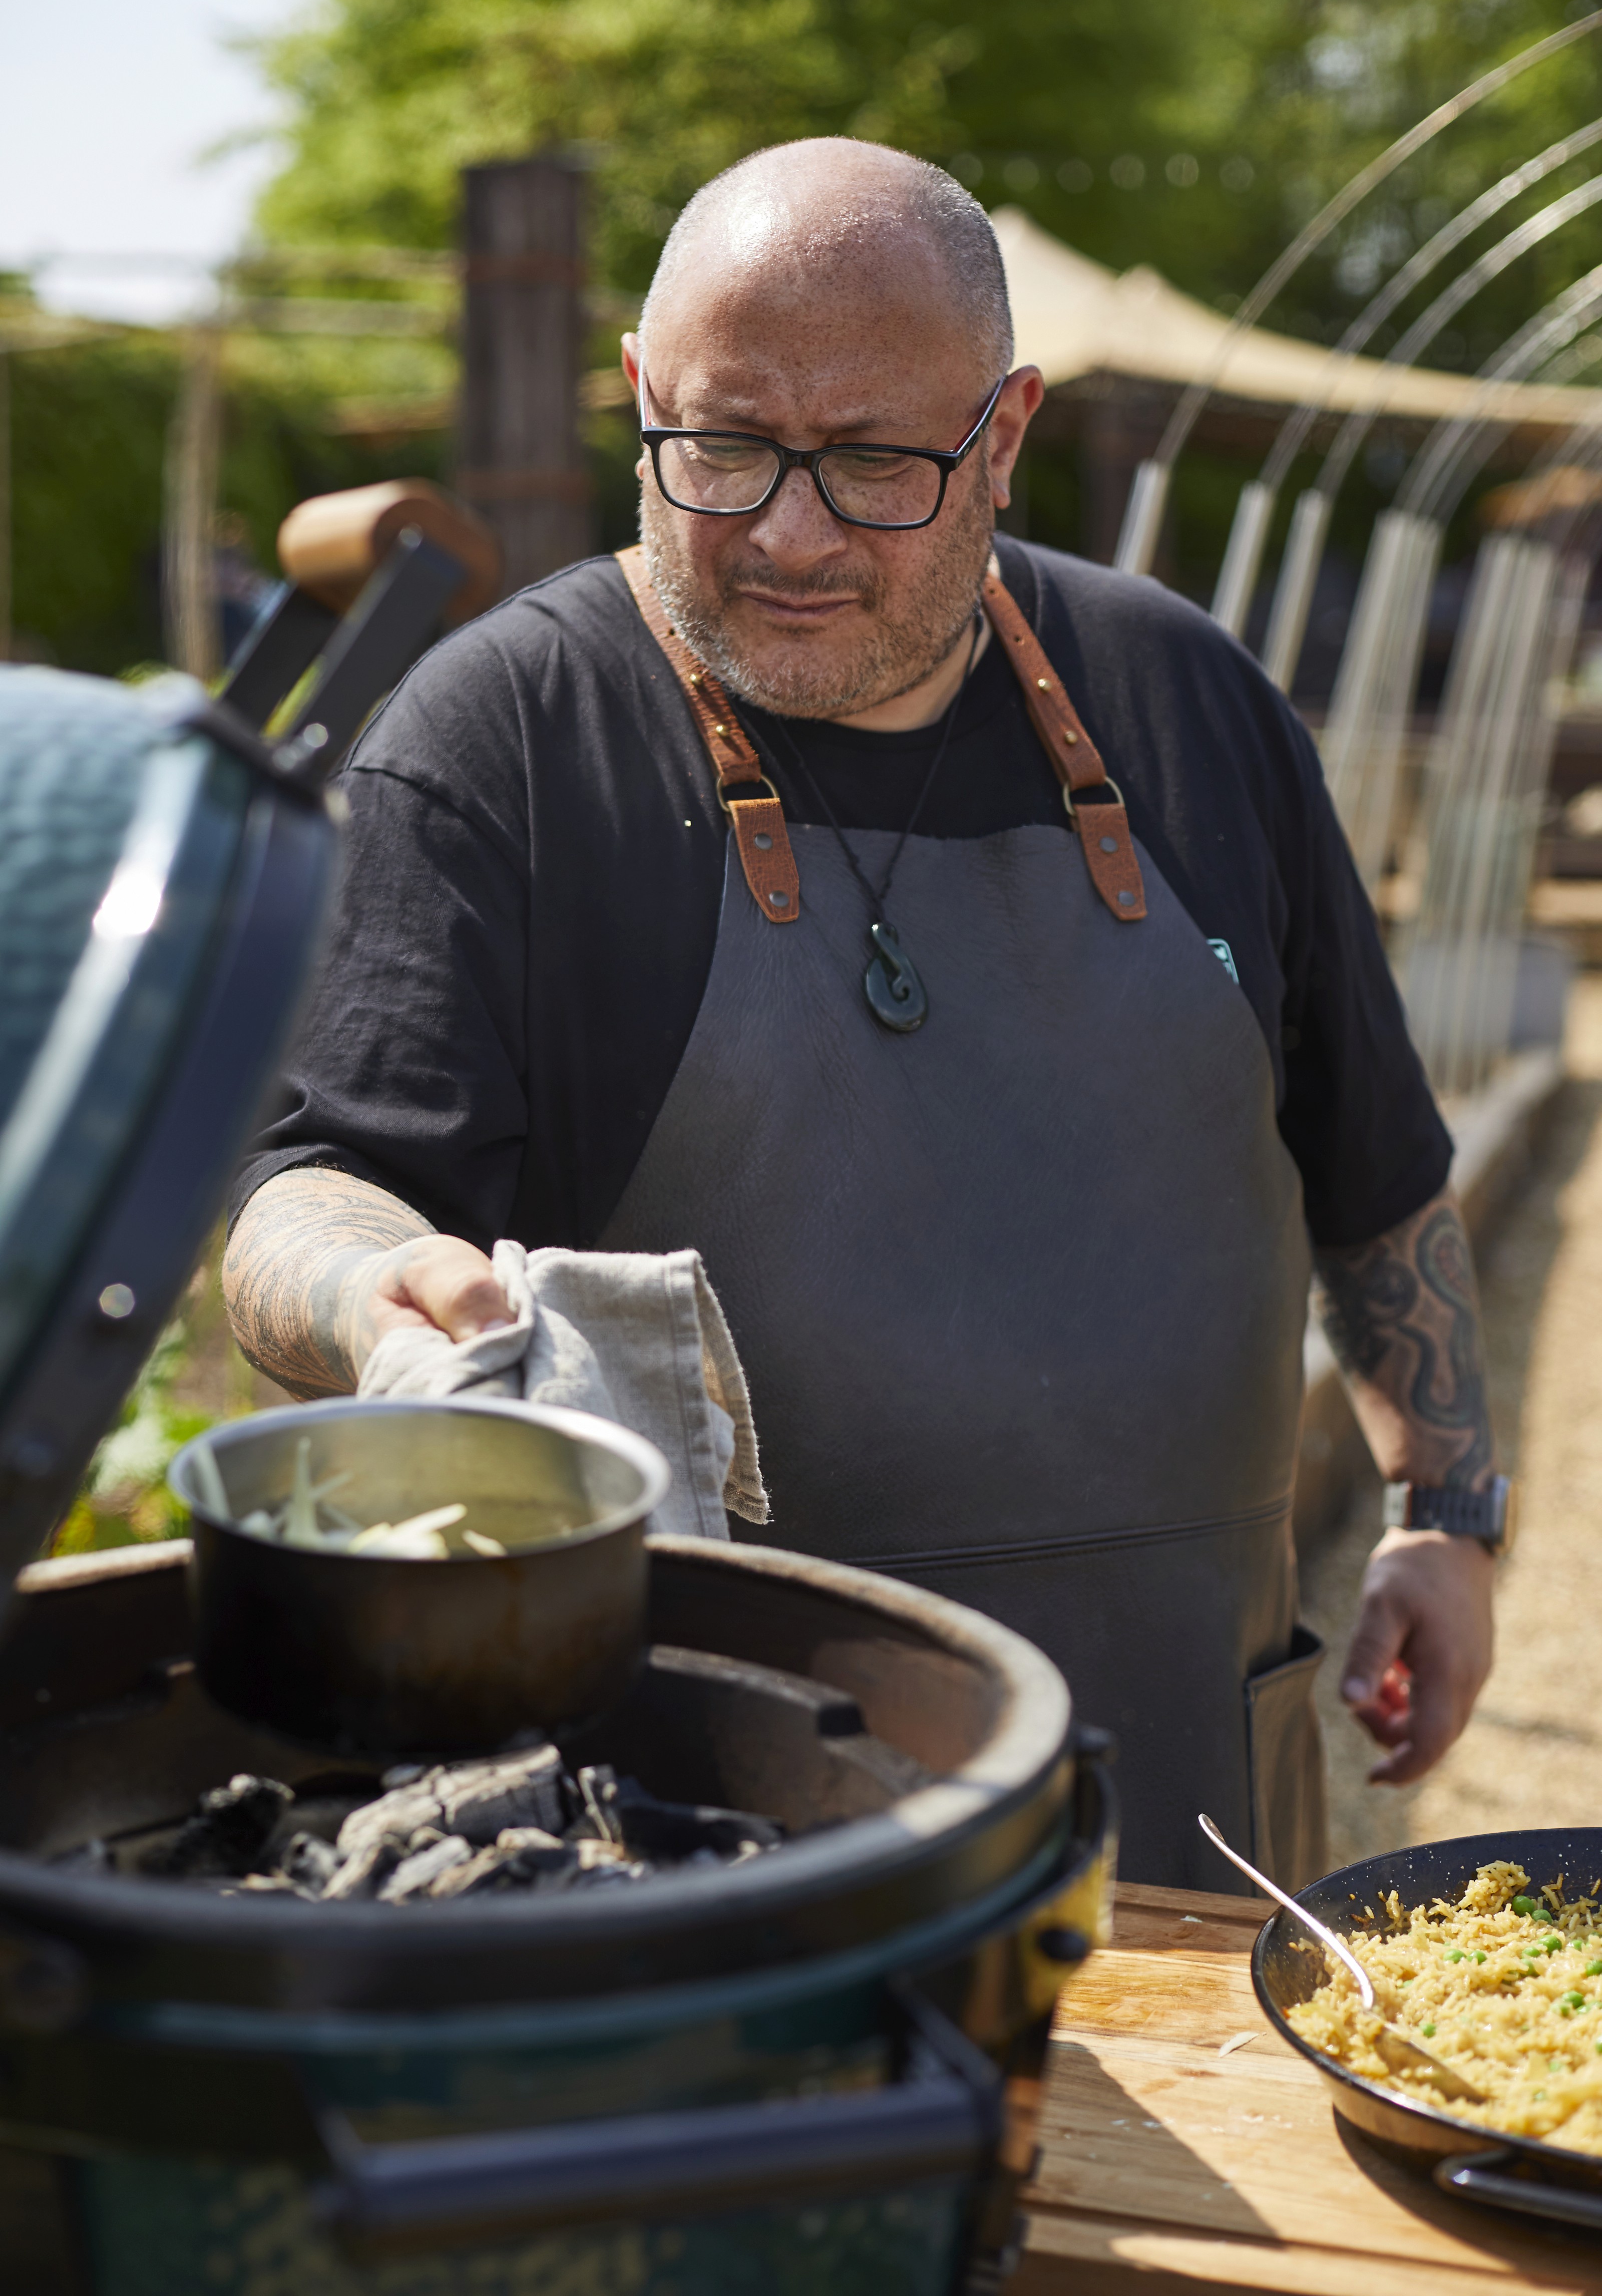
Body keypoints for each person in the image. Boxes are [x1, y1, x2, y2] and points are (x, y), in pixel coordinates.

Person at [224, 139, 1504, 1892]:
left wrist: (1446, 1515)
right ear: (639, 401)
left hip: (1197, 1782)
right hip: (724, 1844)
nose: (791, 533)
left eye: (877, 464)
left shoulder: (1186, 701)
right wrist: (377, 1294)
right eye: (725, 447)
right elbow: (301, 1193)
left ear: (1005, 433)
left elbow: (1378, 1170)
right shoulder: (509, 744)